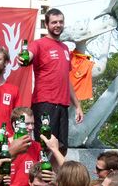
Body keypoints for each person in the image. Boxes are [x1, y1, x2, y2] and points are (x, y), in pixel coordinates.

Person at [19, 8, 83, 151]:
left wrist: (78, 106)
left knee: (61, 149)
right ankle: (39, 173)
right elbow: (28, 55)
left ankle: (55, 174)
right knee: (44, 147)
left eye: (60, 22)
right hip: (45, 103)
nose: (58, 25)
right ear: (46, 25)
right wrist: (24, 57)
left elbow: (66, 79)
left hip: (63, 105)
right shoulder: (38, 44)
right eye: (54, 22)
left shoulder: (65, 48)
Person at [5, 107, 42, 186]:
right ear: (14, 125)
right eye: (27, 124)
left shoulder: (37, 147)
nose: (31, 127)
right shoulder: (4, 145)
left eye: (32, 123)